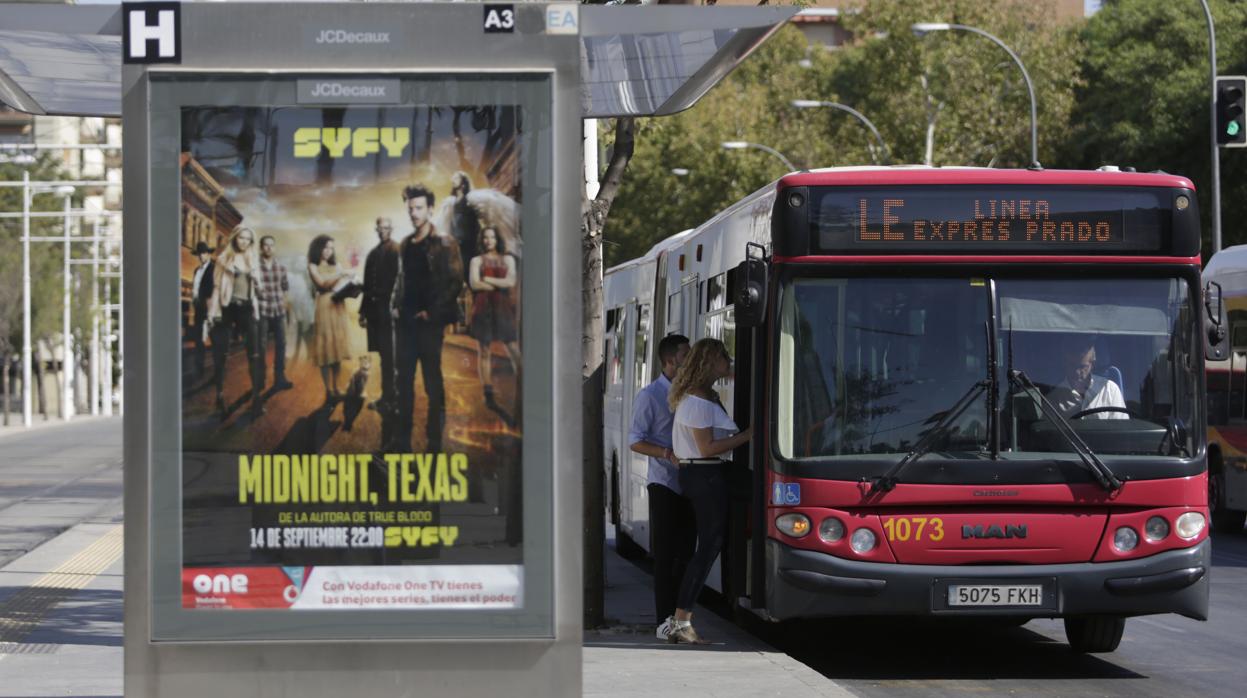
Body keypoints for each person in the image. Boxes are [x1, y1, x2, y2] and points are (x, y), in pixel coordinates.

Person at [666, 338, 752, 644]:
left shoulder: (702, 396)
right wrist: (748, 436)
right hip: (705, 474)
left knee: (711, 544)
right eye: (722, 357)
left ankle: (680, 620)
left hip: (706, 473)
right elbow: (706, 448)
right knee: (708, 547)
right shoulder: (699, 403)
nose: (727, 360)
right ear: (709, 363)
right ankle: (681, 620)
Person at [627, 333, 694, 641]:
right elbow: (635, 441)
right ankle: (663, 623)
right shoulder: (649, 396)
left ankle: (682, 621)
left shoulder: (692, 395)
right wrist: (666, 453)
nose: (690, 360)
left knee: (686, 555)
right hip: (664, 484)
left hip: (691, 485)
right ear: (670, 361)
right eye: (685, 356)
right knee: (666, 557)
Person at [391, 184, 464, 452]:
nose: (414, 213)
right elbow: (402, 281)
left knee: (432, 381)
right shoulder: (406, 244)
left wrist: (431, 312)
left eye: (419, 208)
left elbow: (455, 282)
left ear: (430, 209)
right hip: (405, 324)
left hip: (429, 325)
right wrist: (397, 307)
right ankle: (402, 442)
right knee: (404, 383)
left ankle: (434, 442)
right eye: (410, 208)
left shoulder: (445, 243)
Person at [206, 226, 265, 418]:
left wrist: (257, 281)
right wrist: (212, 313)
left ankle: (256, 398)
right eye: (241, 238)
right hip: (227, 308)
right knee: (221, 354)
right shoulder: (223, 260)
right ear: (234, 238)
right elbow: (216, 288)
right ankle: (220, 396)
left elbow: (260, 291)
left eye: (248, 239)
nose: (244, 242)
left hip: (247, 309)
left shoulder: (254, 261)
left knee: (254, 355)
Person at [468, 227, 520, 407]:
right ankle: (488, 391)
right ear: (482, 240)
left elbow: (510, 282)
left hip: (502, 309)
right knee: (484, 351)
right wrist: (499, 284)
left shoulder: (507, 259)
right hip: (483, 309)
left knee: (513, 348)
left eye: (492, 237)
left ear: (497, 239)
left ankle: (523, 386)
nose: (488, 240)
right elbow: (475, 284)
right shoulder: (476, 260)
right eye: (485, 237)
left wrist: (487, 280)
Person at [307, 234, 354, 407]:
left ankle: (337, 388)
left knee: (337, 350)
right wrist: (341, 274)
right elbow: (323, 285)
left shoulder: (336, 265)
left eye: (331, 248)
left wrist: (351, 286)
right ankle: (328, 391)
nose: (328, 251)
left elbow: (338, 286)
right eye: (326, 247)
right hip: (325, 306)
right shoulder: (312, 266)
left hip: (338, 306)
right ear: (318, 248)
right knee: (326, 349)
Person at [361, 217, 400, 414]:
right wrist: (362, 312)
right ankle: (387, 399)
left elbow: (403, 283)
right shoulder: (372, 254)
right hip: (376, 312)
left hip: (392, 312)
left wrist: (398, 307)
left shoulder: (397, 250)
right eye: (380, 227)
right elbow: (367, 286)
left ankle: (394, 401)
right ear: (376, 229)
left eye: (387, 227)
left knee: (393, 358)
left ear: (391, 229)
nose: (383, 230)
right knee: (385, 357)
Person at [1048, 337, 1127, 420]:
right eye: (1072, 366)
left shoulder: (1110, 390)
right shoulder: (1054, 398)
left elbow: (1121, 427)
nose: (1077, 372)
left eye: (1082, 367)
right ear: (1064, 364)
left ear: (1092, 364)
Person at [257, 235, 293, 392]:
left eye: (272, 245)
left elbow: (285, 288)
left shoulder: (281, 267)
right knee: (261, 345)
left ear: (275, 247)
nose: (269, 248)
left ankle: (280, 377)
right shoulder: (255, 266)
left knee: (282, 343)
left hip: (279, 309)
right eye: (266, 245)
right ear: (261, 247)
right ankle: (260, 378)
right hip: (262, 309)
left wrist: (286, 307)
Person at [190, 241, 215, 380]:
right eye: (199, 254)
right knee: (199, 339)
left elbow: (212, 291)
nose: (201, 256)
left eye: (203, 253)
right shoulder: (196, 271)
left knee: (214, 339)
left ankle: (218, 372)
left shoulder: (213, 268)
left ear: (208, 254)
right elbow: (195, 289)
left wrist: (210, 311)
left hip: (210, 307)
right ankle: (199, 370)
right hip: (199, 308)